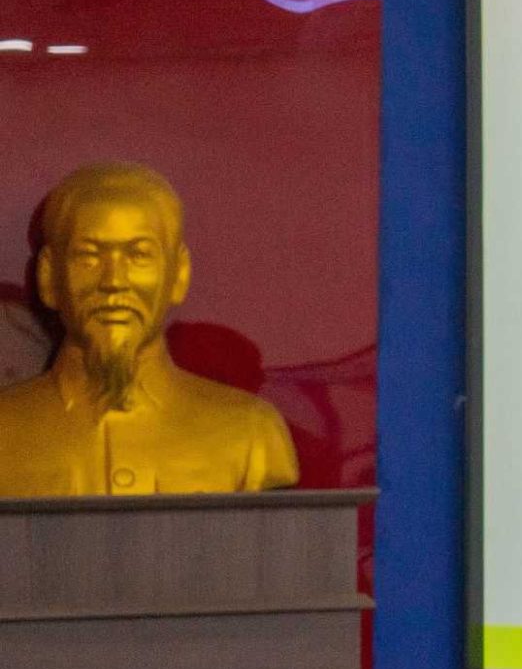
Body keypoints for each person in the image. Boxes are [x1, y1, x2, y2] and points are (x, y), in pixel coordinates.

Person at [0, 160, 298, 499]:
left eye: (138, 255)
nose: (114, 281)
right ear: (49, 277)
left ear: (178, 274)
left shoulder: (251, 435)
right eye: (88, 256)